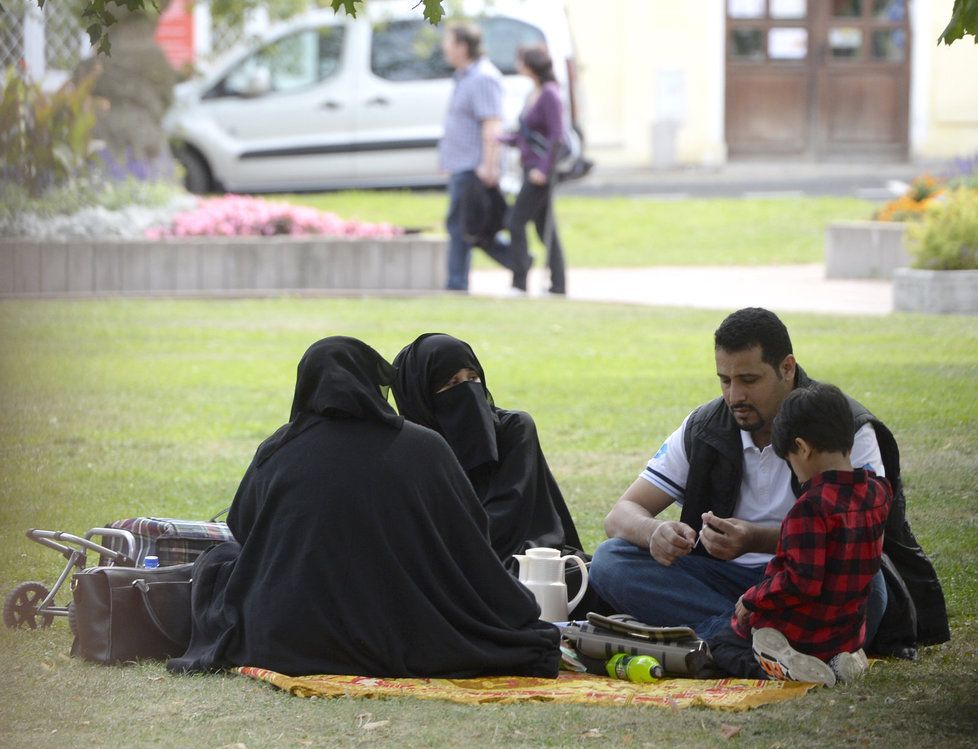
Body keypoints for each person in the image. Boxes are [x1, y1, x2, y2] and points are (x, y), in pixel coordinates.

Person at [167, 336, 560, 678]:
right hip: (403, 622)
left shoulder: (278, 450)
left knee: (221, 560)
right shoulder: (425, 447)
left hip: (288, 630)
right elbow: (468, 535)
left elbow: (243, 527)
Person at [589, 307, 948, 655]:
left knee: (872, 588)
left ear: (786, 368)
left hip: (812, 578)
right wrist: (655, 533)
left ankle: (729, 637)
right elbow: (620, 514)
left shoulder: (844, 424)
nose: (734, 396)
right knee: (611, 561)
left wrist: (754, 539)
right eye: (725, 381)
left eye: (749, 380)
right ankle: (751, 636)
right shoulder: (704, 426)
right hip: (719, 580)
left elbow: (864, 533)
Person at [707, 383, 893, 686]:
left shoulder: (809, 508)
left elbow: (800, 582)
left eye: (791, 462)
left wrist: (753, 599)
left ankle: (787, 669)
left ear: (802, 448)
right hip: (846, 629)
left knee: (722, 644)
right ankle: (842, 660)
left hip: (802, 631)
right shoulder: (879, 492)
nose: (795, 472)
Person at [391, 332, 585, 573]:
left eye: (473, 378)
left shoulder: (513, 429)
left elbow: (510, 515)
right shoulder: (409, 448)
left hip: (522, 559)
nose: (467, 390)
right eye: (452, 383)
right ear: (421, 395)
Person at [439, 21, 510, 292]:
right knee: (468, 227)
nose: (444, 48)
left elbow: (492, 124)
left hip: (474, 167)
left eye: (449, 42)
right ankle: (519, 261)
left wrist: (489, 165)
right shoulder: (463, 77)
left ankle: (456, 283)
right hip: (461, 164)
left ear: (462, 46)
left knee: (464, 227)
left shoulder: (482, 77)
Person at [498, 43, 568, 295]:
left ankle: (519, 282)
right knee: (544, 227)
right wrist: (503, 139)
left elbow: (557, 136)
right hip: (529, 167)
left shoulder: (550, 93)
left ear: (530, 65)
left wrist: (544, 170)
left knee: (515, 221)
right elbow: (527, 134)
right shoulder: (534, 92)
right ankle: (558, 285)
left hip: (540, 173)